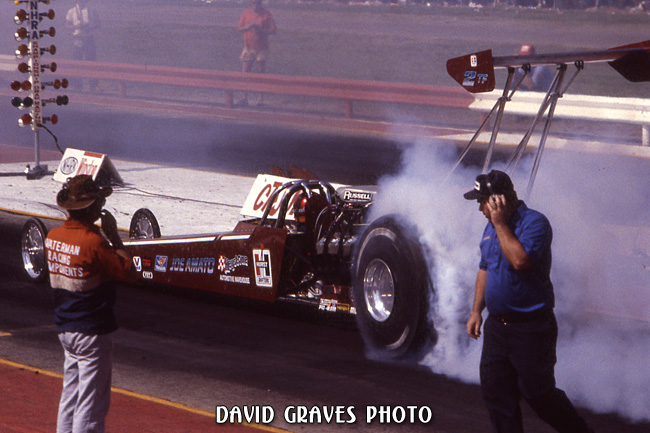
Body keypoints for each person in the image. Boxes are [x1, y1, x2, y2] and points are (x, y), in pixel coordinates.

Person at [464, 170, 593, 433]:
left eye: (482, 201)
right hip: (498, 329)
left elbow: (520, 261)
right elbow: (485, 268)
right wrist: (476, 310)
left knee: (538, 394)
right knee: (496, 394)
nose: (480, 209)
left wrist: (500, 225)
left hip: (531, 329)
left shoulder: (535, 223)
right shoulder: (489, 228)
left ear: (498, 200)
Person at [45, 175, 133, 433]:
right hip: (92, 329)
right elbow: (127, 270)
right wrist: (114, 236)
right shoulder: (93, 242)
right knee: (91, 404)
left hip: (65, 326)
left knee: (70, 395)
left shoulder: (53, 237)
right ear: (92, 209)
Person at [237, 0, 276, 106]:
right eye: (253, 3)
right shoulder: (246, 13)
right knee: (245, 71)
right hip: (249, 46)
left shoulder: (266, 14)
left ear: (260, 4)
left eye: (258, 3)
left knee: (260, 72)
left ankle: (260, 99)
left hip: (261, 47)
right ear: (251, 4)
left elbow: (273, 30)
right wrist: (248, 27)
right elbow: (239, 28)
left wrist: (261, 30)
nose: (255, 5)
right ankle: (244, 97)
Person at [65, 0, 101, 92]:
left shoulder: (91, 10)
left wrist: (90, 26)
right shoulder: (71, 11)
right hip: (78, 38)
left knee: (91, 62)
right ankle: (77, 86)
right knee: (77, 62)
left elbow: (98, 24)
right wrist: (76, 26)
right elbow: (67, 26)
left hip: (89, 38)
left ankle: (93, 86)